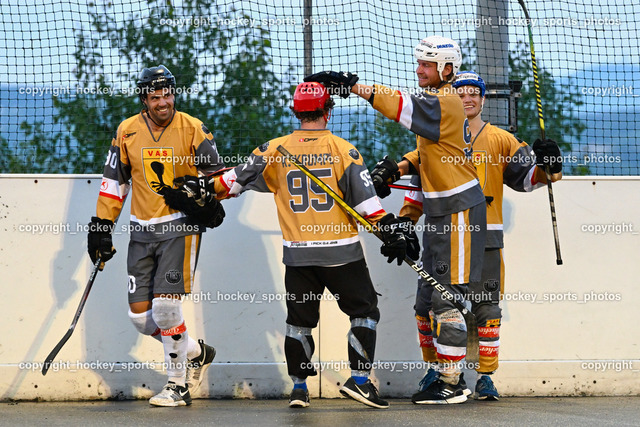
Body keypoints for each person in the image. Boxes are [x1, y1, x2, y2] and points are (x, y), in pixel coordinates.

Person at [305, 35, 487, 404]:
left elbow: (399, 106)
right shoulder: (443, 107)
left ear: (447, 69)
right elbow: (431, 157)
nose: (418, 69)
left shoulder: (445, 100)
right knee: (428, 302)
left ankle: (452, 384)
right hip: (442, 213)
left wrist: (351, 84)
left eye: (426, 64)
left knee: (447, 300)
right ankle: (442, 375)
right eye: (418, 63)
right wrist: (400, 181)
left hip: (459, 214)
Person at [210, 81, 410, 409]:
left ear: (295, 112)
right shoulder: (345, 151)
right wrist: (392, 231)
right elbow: (369, 209)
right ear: (327, 112)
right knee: (364, 312)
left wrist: (198, 191)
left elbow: (228, 183)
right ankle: (360, 382)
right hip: (342, 253)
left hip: (298, 255)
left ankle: (299, 388)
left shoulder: (272, 150)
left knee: (299, 321)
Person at [401, 70, 563, 400]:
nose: (468, 97)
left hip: (486, 236)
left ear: (483, 99)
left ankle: (485, 377)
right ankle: (438, 371)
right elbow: (418, 185)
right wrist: (405, 221)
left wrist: (552, 162)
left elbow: (534, 178)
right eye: (461, 91)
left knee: (487, 307)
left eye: (475, 92)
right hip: (441, 235)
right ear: (452, 98)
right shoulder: (435, 138)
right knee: (427, 306)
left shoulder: (501, 139)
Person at [87, 65, 223, 407]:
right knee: (140, 318)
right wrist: (102, 227)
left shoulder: (193, 128)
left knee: (165, 310)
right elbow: (114, 183)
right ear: (144, 98)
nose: (163, 102)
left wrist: (207, 199)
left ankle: (177, 386)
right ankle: (196, 351)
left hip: (179, 228)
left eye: (167, 94)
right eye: (155, 96)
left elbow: (217, 176)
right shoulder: (127, 131)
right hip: (141, 231)